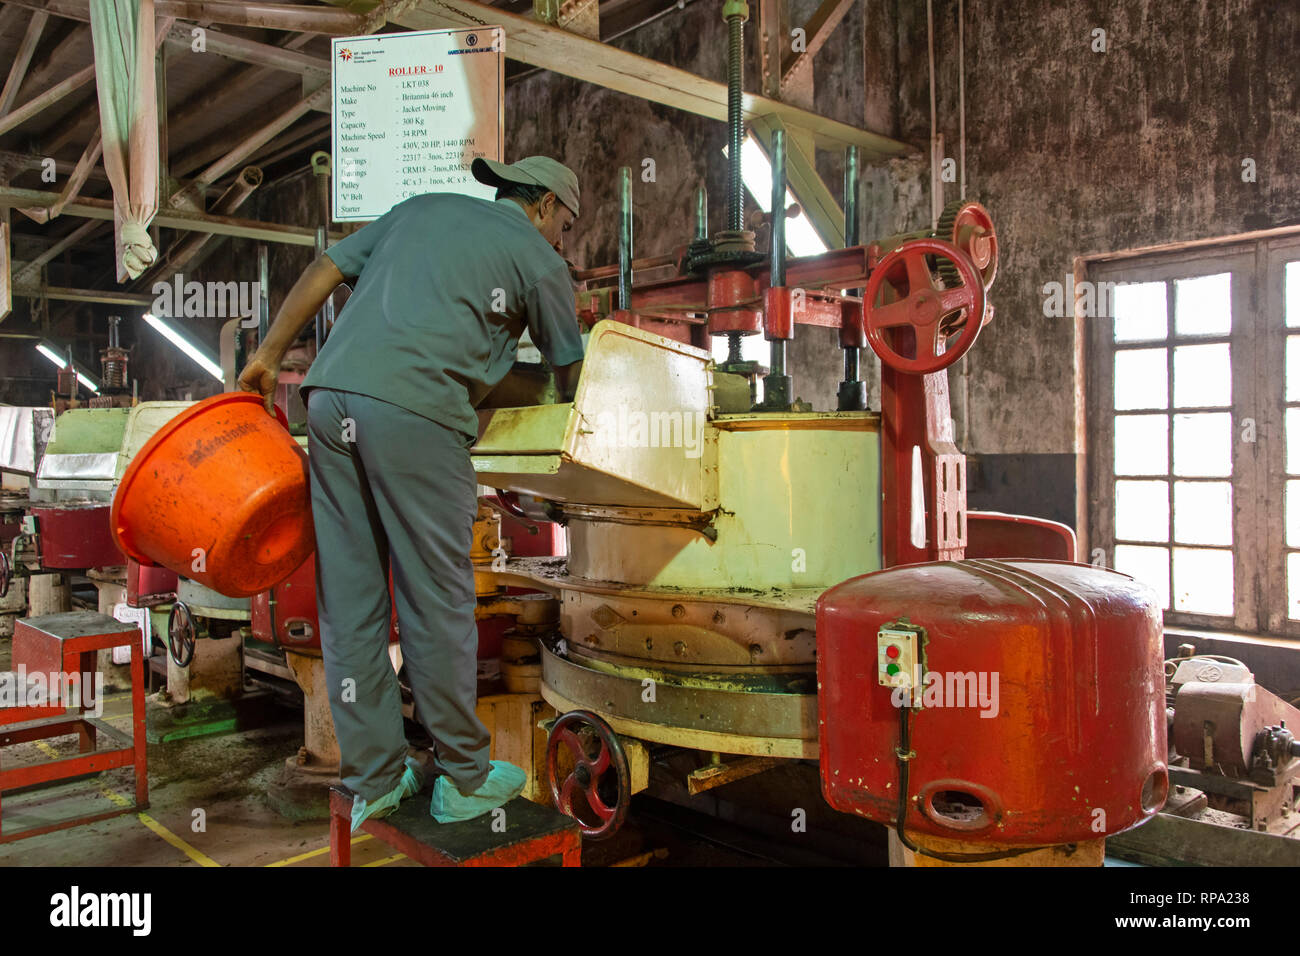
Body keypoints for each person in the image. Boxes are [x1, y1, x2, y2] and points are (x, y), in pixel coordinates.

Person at [238, 156, 586, 829]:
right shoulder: (537, 260)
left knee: (351, 598)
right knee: (435, 595)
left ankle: (374, 773)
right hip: (414, 413)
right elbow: (569, 372)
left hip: (329, 399)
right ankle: (464, 776)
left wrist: (268, 354)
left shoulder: (422, 209)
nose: (562, 243)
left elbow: (325, 269)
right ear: (543, 205)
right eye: (563, 226)